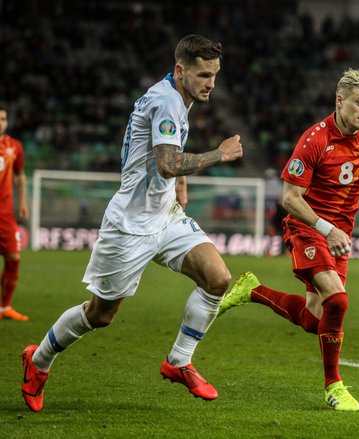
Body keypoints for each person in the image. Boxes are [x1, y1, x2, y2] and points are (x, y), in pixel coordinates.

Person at [21, 34, 243, 412]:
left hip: (165, 217)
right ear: (180, 70)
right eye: (204, 74)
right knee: (100, 314)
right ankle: (37, 361)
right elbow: (166, 163)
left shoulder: (177, 95)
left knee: (218, 279)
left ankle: (178, 361)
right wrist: (219, 155)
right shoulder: (167, 102)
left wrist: (180, 186)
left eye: (215, 75)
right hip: (130, 224)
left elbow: (169, 155)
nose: (211, 83)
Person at [220, 68, 359, 411]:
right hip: (307, 227)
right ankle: (334, 386)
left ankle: (253, 290)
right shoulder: (315, 139)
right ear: (340, 100)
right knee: (338, 301)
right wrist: (325, 228)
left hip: (339, 237)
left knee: (312, 320)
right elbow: (290, 198)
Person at [0, 105, 30, 321]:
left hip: (4, 214)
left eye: (2, 118)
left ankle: (4, 307)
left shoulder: (14, 146)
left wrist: (23, 202)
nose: (0, 122)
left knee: (13, 257)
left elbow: (20, 176)